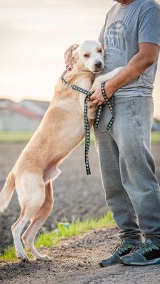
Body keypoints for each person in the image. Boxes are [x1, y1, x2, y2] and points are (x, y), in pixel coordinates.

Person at [65, 0, 160, 266]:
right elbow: (97, 54)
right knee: (112, 178)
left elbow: (146, 57)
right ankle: (129, 239)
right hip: (104, 102)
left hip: (132, 99)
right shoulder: (112, 12)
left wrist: (110, 87)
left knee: (137, 173)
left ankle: (156, 242)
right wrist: (74, 53)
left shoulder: (148, 9)